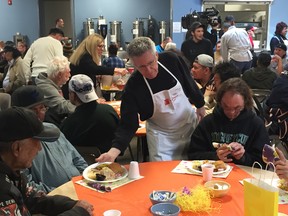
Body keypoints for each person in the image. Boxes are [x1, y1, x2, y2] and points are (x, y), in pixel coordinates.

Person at [96, 37, 205, 162]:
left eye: (150, 63)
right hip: (162, 138)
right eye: (141, 67)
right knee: (162, 175)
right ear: (134, 65)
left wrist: (200, 105)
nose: (148, 70)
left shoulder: (172, 60)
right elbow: (128, 124)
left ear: (157, 55)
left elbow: (189, 83)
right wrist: (113, 151)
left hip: (189, 126)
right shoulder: (133, 86)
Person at [0, 107, 93, 215]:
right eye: (36, 142)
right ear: (16, 148)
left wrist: (70, 205)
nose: (39, 148)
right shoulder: (3, 192)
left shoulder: (13, 171)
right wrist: (78, 213)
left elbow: (34, 199)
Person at [11, 85, 88, 193]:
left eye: (42, 108)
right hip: (54, 200)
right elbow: (27, 186)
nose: (38, 114)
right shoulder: (18, 144)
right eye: (32, 110)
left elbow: (77, 159)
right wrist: (63, 193)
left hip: (81, 187)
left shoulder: (52, 129)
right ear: (19, 114)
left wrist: (87, 180)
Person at [188, 78, 269, 167]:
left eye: (237, 108)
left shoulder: (255, 124)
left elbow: (265, 163)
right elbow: (192, 154)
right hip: (212, 175)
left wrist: (243, 157)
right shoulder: (208, 122)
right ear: (219, 102)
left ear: (245, 103)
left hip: (244, 176)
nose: (231, 112)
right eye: (226, 107)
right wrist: (215, 156)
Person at [61, 74, 120, 154]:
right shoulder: (109, 111)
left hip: (81, 164)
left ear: (73, 95)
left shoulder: (68, 124)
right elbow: (119, 135)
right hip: (111, 162)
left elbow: (64, 150)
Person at [69, 33, 127, 99]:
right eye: (99, 46)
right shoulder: (85, 56)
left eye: (103, 46)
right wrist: (116, 70)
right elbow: (94, 69)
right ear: (91, 46)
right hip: (79, 94)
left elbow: (90, 70)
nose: (102, 49)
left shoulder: (83, 55)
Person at [36, 56, 75, 126]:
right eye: (68, 72)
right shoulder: (46, 87)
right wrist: (84, 105)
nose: (70, 75)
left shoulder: (49, 82)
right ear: (60, 74)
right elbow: (62, 106)